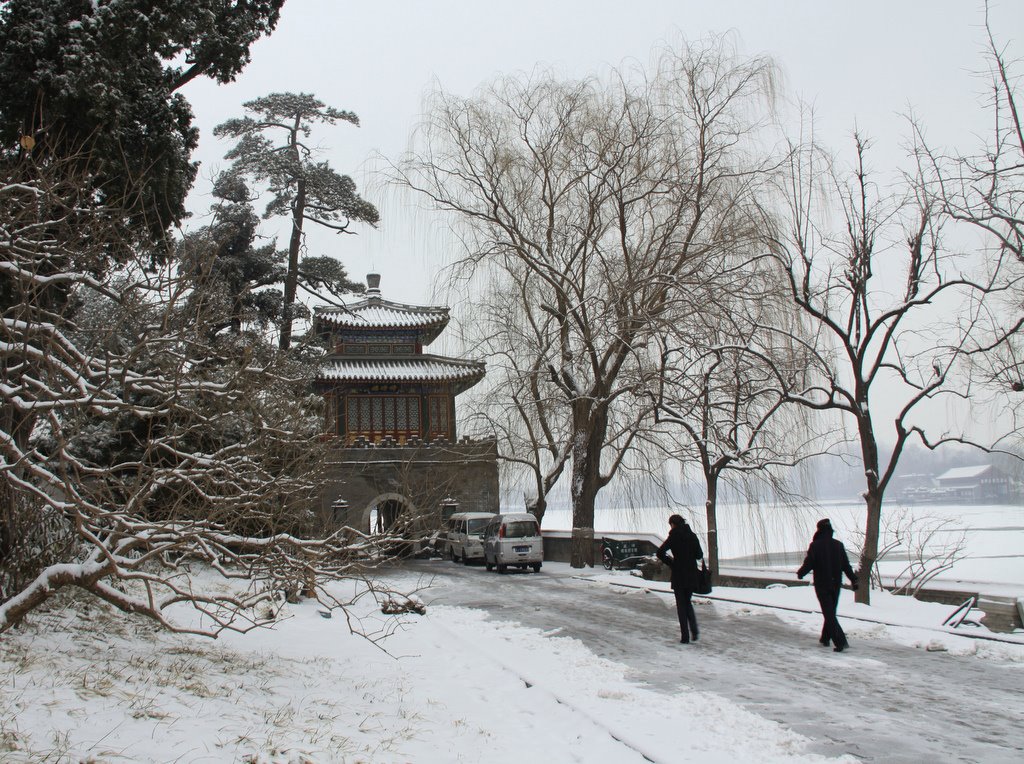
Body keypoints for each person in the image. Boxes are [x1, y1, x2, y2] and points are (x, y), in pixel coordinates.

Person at [797, 518, 859, 652]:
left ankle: (840, 641)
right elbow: (846, 566)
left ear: (819, 530)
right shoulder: (838, 545)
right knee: (830, 612)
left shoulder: (815, 545)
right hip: (836, 584)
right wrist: (854, 580)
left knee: (829, 613)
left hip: (822, 584)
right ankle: (825, 638)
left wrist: (801, 573)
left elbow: (809, 563)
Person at [656, 514, 704, 644]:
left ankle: (685, 636)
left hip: (678, 575)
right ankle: (694, 630)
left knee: (681, 605)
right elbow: (699, 555)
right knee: (687, 602)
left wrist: (672, 563)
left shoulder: (673, 537)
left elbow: (659, 553)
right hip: (691, 574)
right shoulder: (692, 536)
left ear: (673, 524)